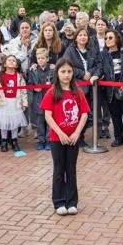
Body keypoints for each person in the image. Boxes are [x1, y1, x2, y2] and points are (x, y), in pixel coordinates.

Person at [42, 58, 89, 216]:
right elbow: (48, 116)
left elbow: (84, 114)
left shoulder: (78, 91)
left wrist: (77, 132)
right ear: (57, 73)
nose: (66, 75)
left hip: (73, 138)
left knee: (71, 169)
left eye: (69, 71)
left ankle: (72, 202)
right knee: (59, 169)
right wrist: (60, 133)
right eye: (63, 71)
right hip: (57, 139)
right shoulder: (52, 92)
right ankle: (59, 201)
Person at [0, 54, 28, 154]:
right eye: (9, 60)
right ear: (5, 64)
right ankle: (4, 141)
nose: (12, 61)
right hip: (3, 102)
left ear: (16, 65)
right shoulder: (0, 75)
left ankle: (14, 140)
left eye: (14, 60)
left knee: (15, 123)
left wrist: (24, 103)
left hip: (15, 102)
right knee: (4, 123)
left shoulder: (19, 76)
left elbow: (23, 90)